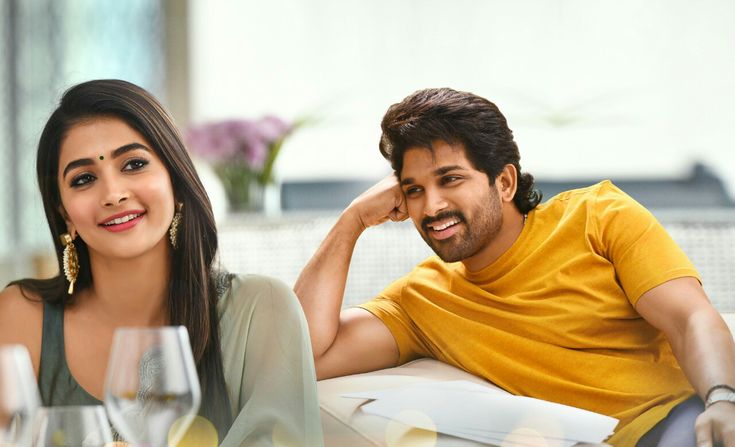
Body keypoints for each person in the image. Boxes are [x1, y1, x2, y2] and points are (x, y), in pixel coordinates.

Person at [295, 87, 735, 447]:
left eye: (450, 179)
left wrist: (722, 400)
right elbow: (303, 356)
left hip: (683, 420)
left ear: (503, 182)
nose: (432, 206)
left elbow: (688, 317)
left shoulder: (599, 216)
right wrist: (351, 222)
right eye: (413, 190)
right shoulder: (421, 300)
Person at [0, 79, 323, 446]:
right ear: (65, 214)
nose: (113, 194)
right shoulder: (22, 317)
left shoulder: (261, 308)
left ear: (176, 180)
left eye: (134, 164)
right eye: (84, 178)